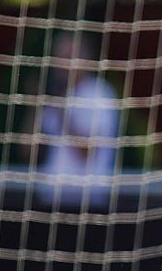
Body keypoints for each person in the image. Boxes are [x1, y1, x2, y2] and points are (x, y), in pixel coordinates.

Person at [27, 29, 122, 206]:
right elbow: (27, 152)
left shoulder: (100, 94)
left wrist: (62, 109)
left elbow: (86, 152)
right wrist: (34, 105)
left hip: (86, 203)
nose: (64, 63)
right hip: (50, 199)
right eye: (60, 56)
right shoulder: (57, 95)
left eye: (69, 56)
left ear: (86, 59)